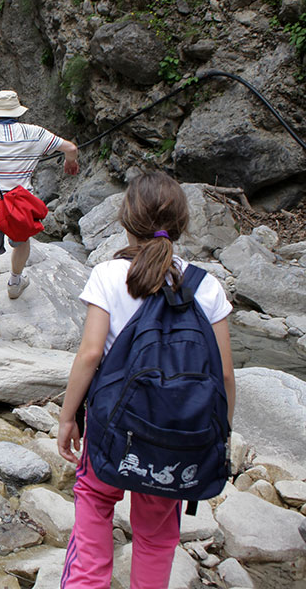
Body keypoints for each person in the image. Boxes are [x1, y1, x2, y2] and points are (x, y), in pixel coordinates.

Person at [56, 171, 236, 589]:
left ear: (125, 220)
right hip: (178, 432)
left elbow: (90, 354)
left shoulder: (108, 275)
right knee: (157, 539)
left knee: (95, 505)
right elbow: (224, 372)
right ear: (182, 223)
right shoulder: (206, 287)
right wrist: (218, 434)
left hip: (112, 427)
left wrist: (68, 417)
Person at [0, 90, 79, 341]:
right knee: (22, 244)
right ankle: (15, 281)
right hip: (19, 210)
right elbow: (71, 148)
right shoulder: (36, 133)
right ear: (18, 112)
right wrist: (69, 162)